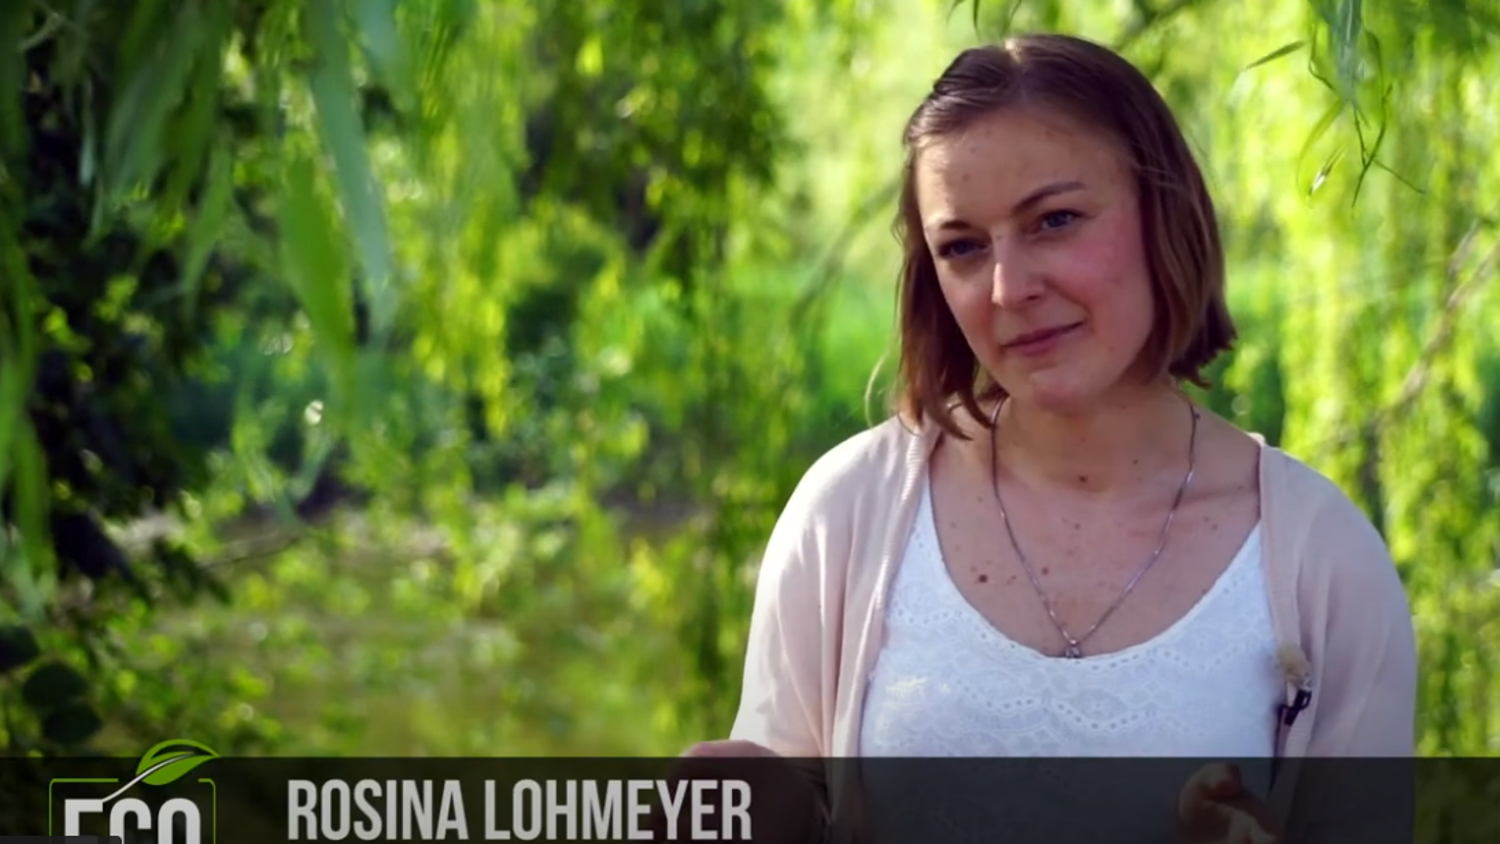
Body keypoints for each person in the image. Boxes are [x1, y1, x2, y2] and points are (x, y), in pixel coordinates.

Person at [680, 32, 1417, 844]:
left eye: (1055, 221)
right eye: (963, 247)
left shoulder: (1320, 561)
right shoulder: (849, 512)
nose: (1009, 288)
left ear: (1164, 214)